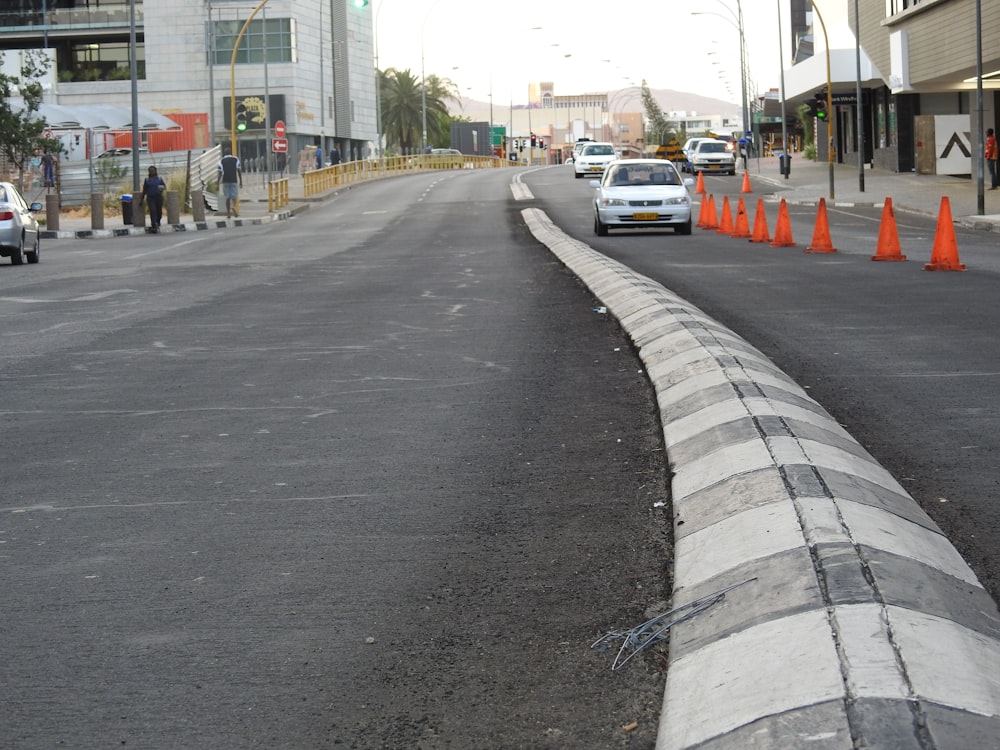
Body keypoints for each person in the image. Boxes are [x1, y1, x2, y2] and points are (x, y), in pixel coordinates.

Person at [138, 165, 166, 232]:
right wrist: (141, 199)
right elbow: (144, 190)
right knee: (153, 211)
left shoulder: (159, 179)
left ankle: (158, 221)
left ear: (155, 171)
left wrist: (161, 189)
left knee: (159, 211)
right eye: (150, 171)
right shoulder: (147, 180)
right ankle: (154, 224)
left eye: (153, 171)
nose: (152, 172)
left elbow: (164, 186)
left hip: (158, 197)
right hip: (151, 198)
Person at [218, 146, 243, 218]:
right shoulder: (235, 159)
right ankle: (234, 207)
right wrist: (241, 181)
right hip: (234, 180)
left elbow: (219, 173)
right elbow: (238, 170)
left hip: (225, 181)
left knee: (227, 198)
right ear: (230, 153)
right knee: (234, 197)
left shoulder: (221, 161)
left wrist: (217, 183)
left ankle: (228, 213)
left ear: (224, 153)